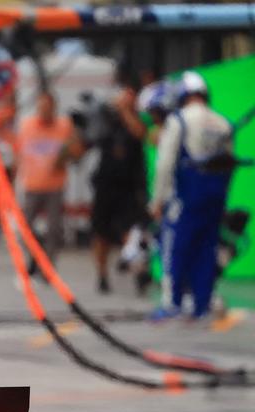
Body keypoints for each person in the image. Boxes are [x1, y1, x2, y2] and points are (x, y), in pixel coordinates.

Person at [149, 71, 235, 321]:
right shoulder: (223, 123)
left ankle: (173, 302)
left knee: (177, 247)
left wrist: (157, 200)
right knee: (206, 250)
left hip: (187, 196)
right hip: (215, 197)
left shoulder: (180, 120)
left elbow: (165, 164)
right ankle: (201, 304)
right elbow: (228, 165)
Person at [87, 83, 148, 293]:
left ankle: (139, 273)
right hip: (105, 184)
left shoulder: (140, 116)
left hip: (130, 186)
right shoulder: (106, 118)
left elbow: (141, 133)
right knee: (100, 233)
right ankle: (102, 275)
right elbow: (91, 136)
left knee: (132, 232)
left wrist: (125, 111)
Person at [17, 91, 77, 275]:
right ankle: (35, 255)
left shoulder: (64, 126)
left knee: (54, 230)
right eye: (41, 107)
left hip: (55, 186)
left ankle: (47, 267)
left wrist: (66, 156)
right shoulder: (27, 125)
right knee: (24, 229)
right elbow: (18, 151)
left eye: (48, 107)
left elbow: (74, 151)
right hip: (32, 185)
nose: (44, 111)